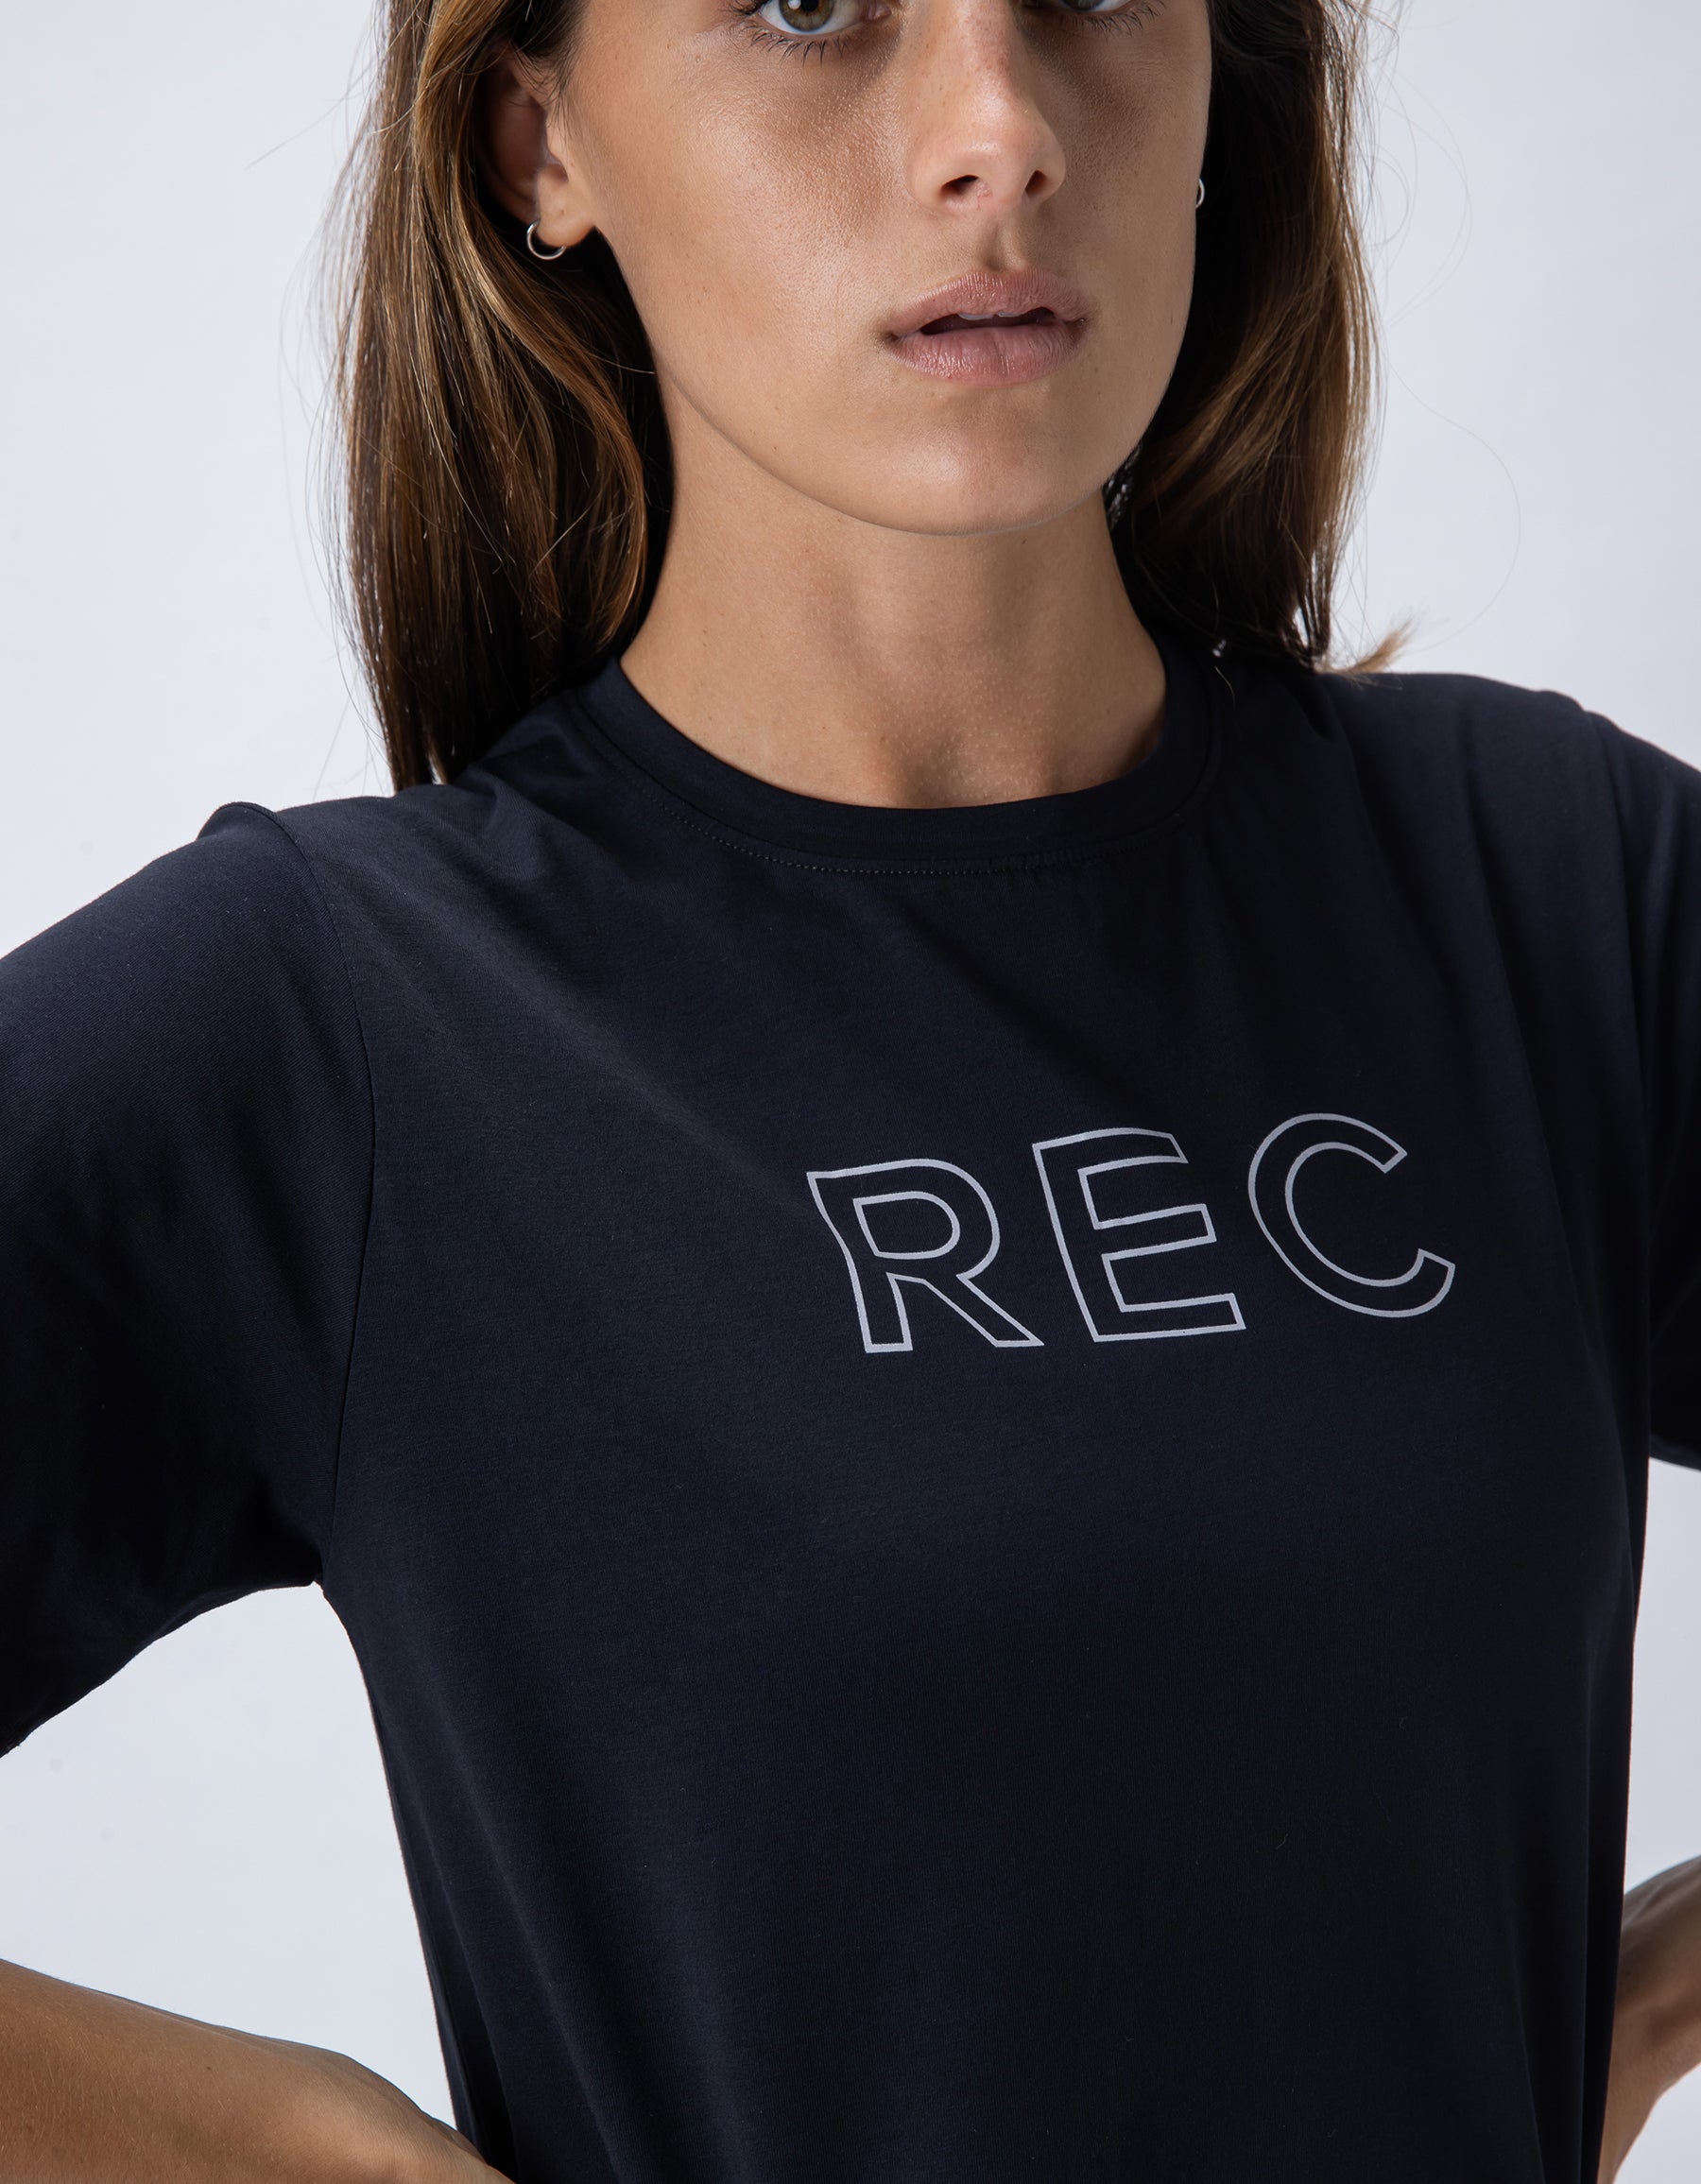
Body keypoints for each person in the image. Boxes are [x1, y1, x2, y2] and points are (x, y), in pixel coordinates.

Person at [0, 0, 1696, 2176]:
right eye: (810, 6)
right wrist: (292, 2159)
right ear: (536, 144)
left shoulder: (1547, 891)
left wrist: (1650, 1988)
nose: (1000, 129)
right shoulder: (352, 1028)